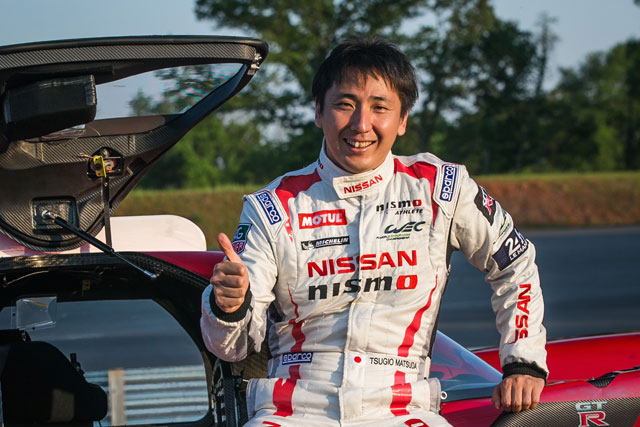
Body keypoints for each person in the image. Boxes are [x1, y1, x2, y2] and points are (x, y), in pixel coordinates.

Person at [201, 38, 547, 426]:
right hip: (292, 412)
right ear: (318, 112)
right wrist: (228, 308)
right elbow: (232, 348)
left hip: (404, 410)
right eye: (345, 104)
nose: (361, 124)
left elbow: (515, 263)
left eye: (379, 107)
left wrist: (524, 361)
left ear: (402, 120)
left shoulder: (442, 188)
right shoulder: (272, 206)